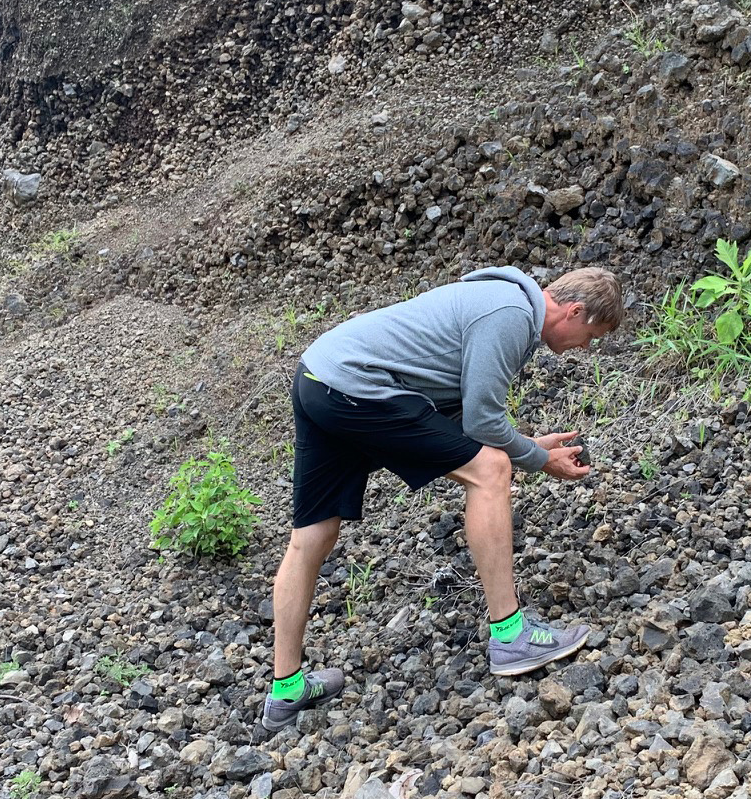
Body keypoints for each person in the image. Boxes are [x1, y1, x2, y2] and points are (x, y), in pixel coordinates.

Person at [261, 266, 624, 733]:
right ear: (574, 311)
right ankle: (511, 634)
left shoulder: (496, 298)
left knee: (313, 533)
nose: (585, 347)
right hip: (358, 386)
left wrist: (529, 446)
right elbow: (481, 424)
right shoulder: (511, 314)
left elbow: (451, 425)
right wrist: (537, 457)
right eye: (589, 334)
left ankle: (286, 691)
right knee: (492, 470)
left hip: (320, 375)